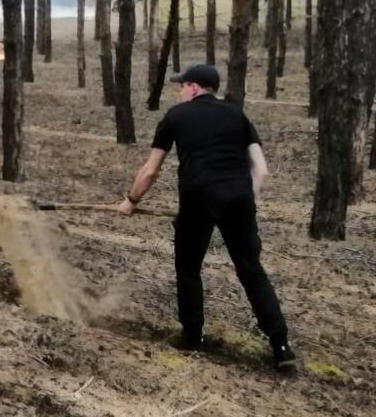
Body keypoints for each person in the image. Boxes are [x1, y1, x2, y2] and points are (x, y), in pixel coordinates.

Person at [117, 64, 297, 371]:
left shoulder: (175, 116)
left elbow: (151, 170)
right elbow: (261, 169)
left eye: (182, 85)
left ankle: (192, 335)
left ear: (195, 88)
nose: (180, 91)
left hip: (198, 196)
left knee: (188, 267)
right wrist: (244, 197)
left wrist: (130, 200)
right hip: (240, 196)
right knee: (251, 270)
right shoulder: (236, 114)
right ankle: (280, 345)